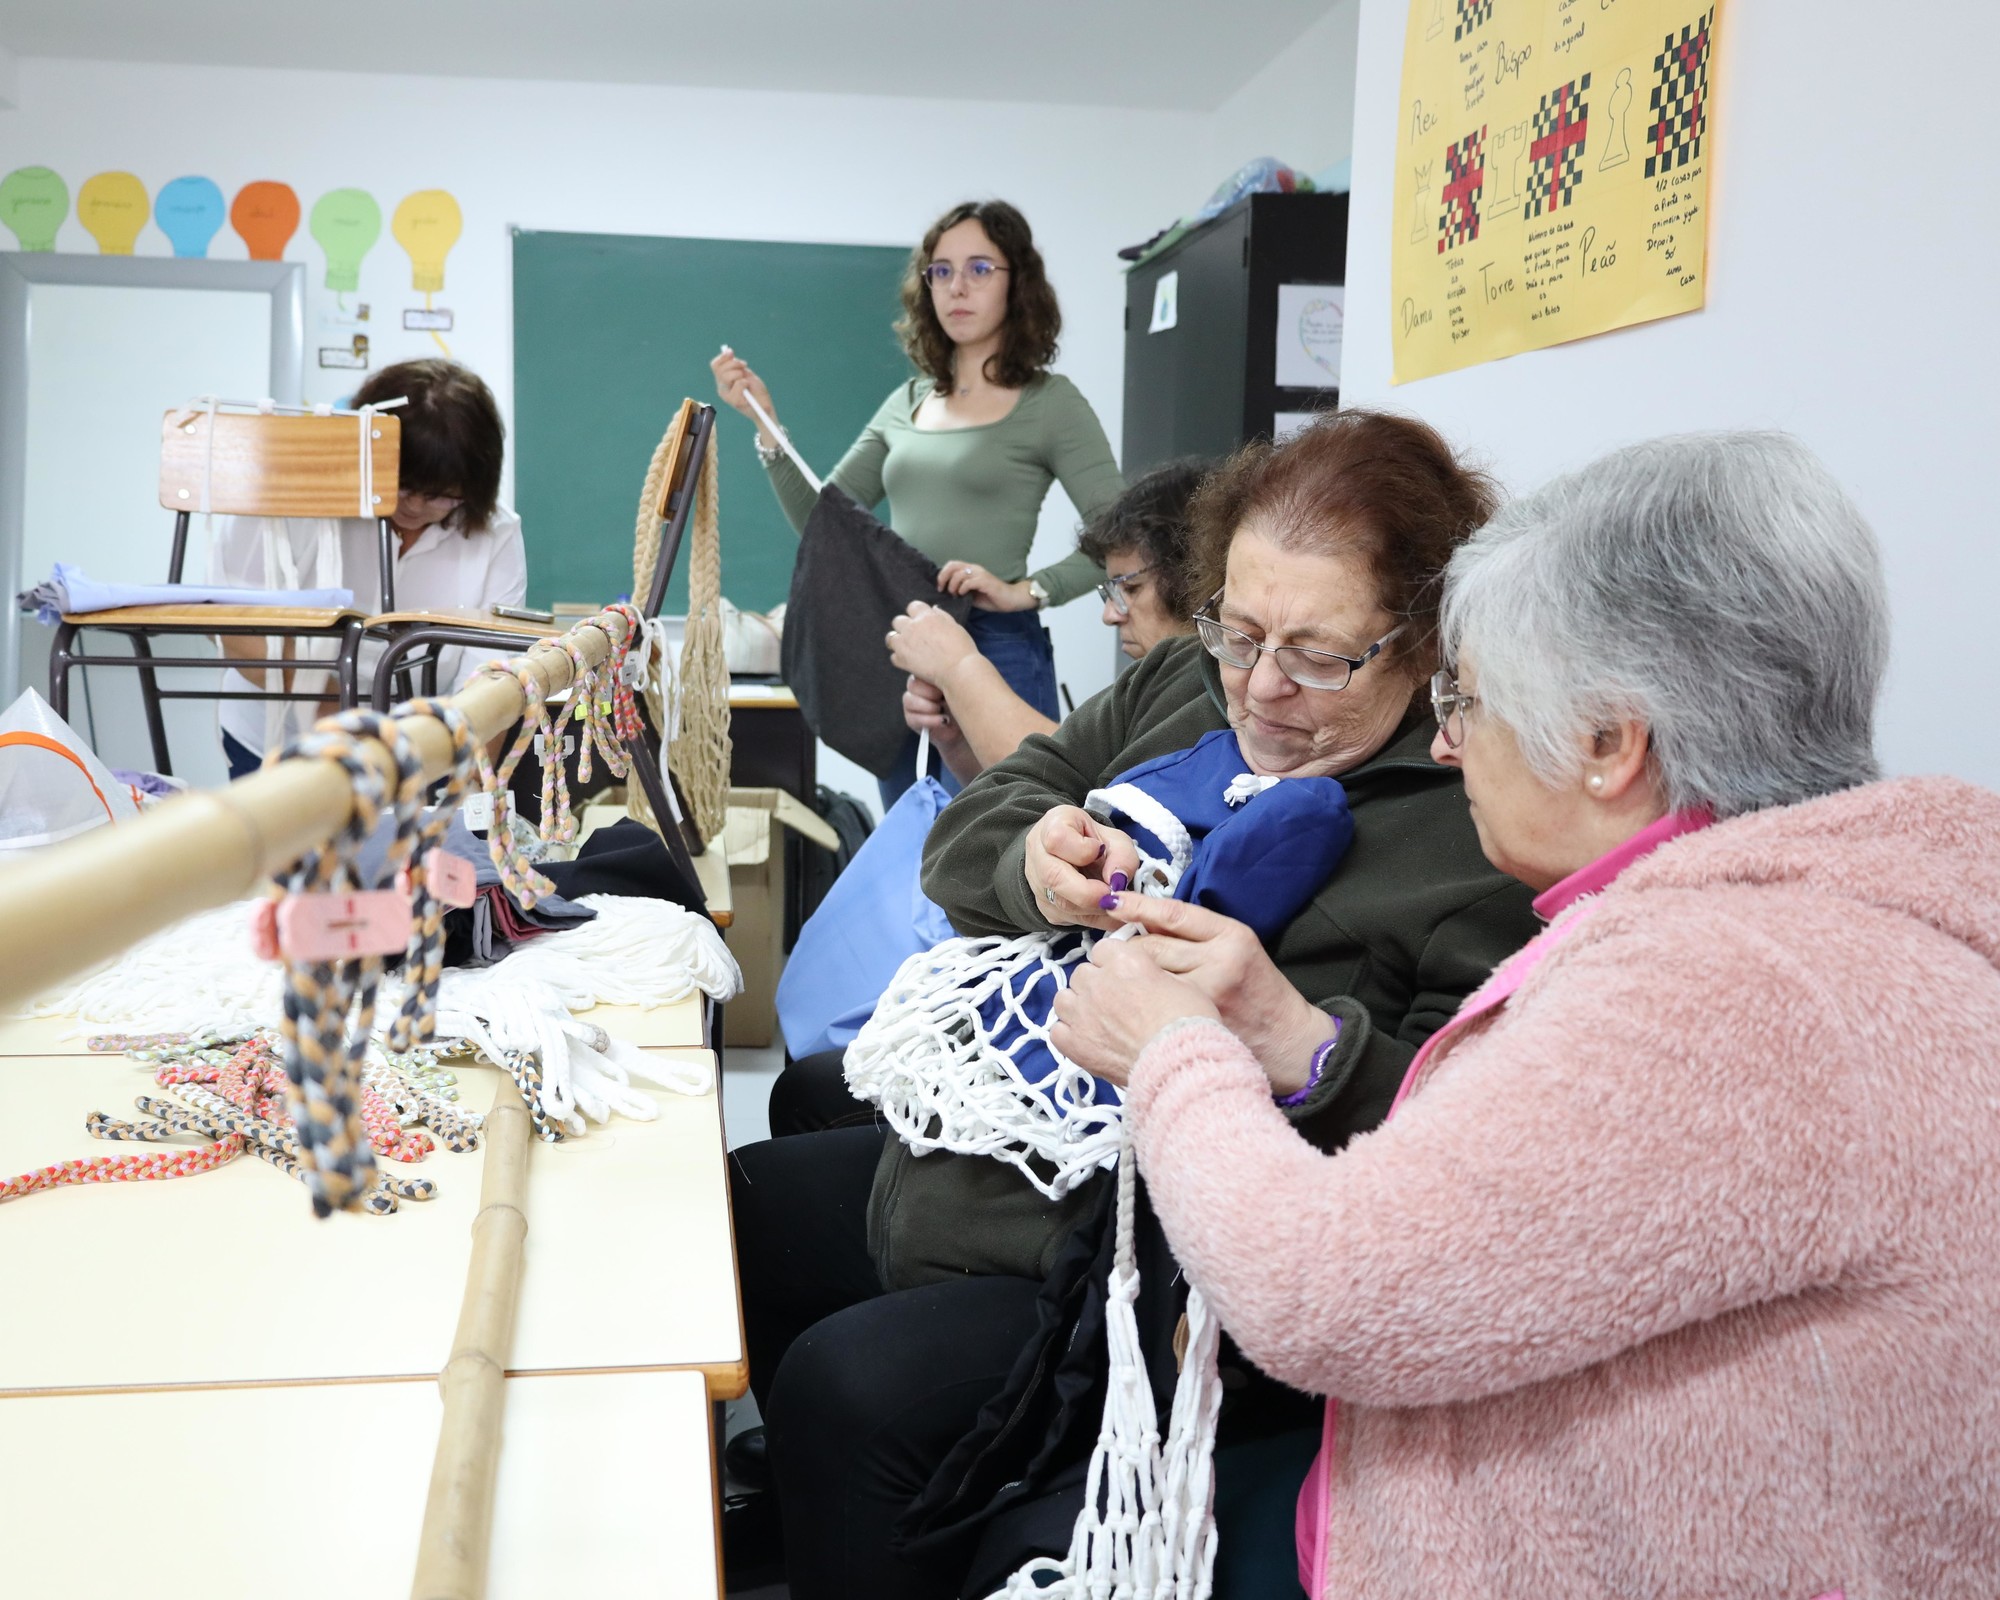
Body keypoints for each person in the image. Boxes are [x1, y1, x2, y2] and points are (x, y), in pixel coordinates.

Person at [1057, 431, 2000, 1597]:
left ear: (1606, 743)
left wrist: (1170, 1053)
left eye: (1465, 696)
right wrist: (1284, 1034)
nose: (1444, 739)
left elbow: (1326, 1295)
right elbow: (1524, 1190)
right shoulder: (1816, 917)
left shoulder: (1723, 986)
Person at [726, 410, 1543, 1599]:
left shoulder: (1474, 824)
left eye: (1319, 657)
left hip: (1160, 1259)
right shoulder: (1183, 686)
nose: (1260, 688)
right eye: (1239, 631)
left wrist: (1298, 1042)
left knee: (852, 1387)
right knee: (755, 1205)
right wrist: (1035, 862)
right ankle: (812, 1505)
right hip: (1033, 1145)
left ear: (1422, 644)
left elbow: (1461, 1139)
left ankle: (868, 1498)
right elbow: (976, 825)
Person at [711, 199, 1124, 806]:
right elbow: (823, 523)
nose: (958, 287)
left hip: (995, 648)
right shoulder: (907, 401)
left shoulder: (1050, 403)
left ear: (1018, 283)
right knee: (915, 845)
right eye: (942, 271)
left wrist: (1029, 590)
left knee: (1006, 835)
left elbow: (1123, 537)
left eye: (980, 268)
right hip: (906, 649)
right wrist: (765, 424)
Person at [210, 359, 526, 779]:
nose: (414, 506)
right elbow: (236, 631)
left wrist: (471, 795)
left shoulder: (495, 534)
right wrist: (339, 716)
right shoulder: (289, 500)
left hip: (423, 755)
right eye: (402, 486)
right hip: (280, 737)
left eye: (440, 495)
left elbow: (490, 685)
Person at [889, 457, 1208, 788]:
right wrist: (956, 740)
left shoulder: (1205, 694)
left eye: (1130, 588)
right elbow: (1031, 790)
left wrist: (957, 667)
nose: (1110, 615)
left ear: (1195, 577)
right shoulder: (1145, 692)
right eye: (1111, 592)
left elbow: (1069, 779)